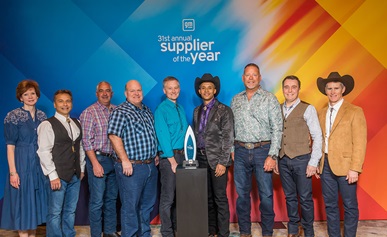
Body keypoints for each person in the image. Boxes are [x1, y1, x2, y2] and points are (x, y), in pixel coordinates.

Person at [231, 63, 283, 237]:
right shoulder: (236, 99)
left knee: (266, 195)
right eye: (247, 75)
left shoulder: (270, 98)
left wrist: (272, 155)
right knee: (242, 195)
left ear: (260, 77)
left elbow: (278, 128)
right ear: (243, 78)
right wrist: (232, 148)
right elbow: (230, 127)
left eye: (254, 75)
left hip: (263, 151)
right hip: (240, 151)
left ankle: (267, 232)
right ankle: (245, 232)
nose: (251, 78)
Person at [316, 72, 367, 237]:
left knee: (350, 205)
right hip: (326, 166)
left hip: (346, 167)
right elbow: (319, 140)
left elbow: (360, 142)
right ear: (325, 90)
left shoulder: (354, 111)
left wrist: (355, 168)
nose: (332, 91)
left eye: (336, 88)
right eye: (329, 88)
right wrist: (318, 163)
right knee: (330, 205)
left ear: (343, 89)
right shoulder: (321, 112)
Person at [108, 80, 158, 237]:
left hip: (149, 166)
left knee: (146, 206)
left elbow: (150, 135)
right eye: (132, 91)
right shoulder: (120, 111)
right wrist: (124, 160)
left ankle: (144, 235)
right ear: (126, 93)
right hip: (132, 167)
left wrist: (155, 154)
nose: (136, 93)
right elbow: (114, 136)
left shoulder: (147, 110)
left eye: (139, 90)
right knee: (130, 207)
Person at [0, 80, 48, 237]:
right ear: (20, 97)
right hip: (21, 165)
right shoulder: (12, 116)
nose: (30, 97)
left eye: (32, 93)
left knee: (34, 206)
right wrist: (13, 172)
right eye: (25, 94)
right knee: (23, 205)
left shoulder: (42, 116)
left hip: (38, 166)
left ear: (37, 95)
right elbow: (10, 146)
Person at [37, 89, 86, 237]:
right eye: (61, 101)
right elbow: (44, 152)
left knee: (70, 211)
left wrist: (81, 168)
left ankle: (68, 234)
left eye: (68, 101)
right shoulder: (47, 125)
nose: (65, 104)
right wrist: (53, 176)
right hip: (58, 176)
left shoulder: (76, 122)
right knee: (55, 212)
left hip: (75, 175)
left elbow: (81, 147)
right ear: (54, 104)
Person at [278, 75, 322, 237]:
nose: (290, 90)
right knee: (290, 197)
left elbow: (317, 136)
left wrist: (313, 162)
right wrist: (276, 158)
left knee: (305, 198)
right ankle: (293, 229)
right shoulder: (277, 108)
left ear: (298, 89)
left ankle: (308, 231)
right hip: (283, 159)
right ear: (283, 89)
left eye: (293, 87)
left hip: (302, 159)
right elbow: (275, 135)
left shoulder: (307, 108)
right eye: (287, 87)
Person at [193, 73, 234, 237]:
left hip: (217, 160)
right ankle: (212, 231)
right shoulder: (197, 111)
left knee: (220, 199)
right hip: (201, 158)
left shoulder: (224, 110)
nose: (206, 90)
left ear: (215, 90)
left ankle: (223, 233)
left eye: (209, 87)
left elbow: (228, 137)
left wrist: (223, 162)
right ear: (199, 91)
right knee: (207, 198)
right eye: (203, 88)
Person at [79, 82, 120, 237]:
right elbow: (86, 141)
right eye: (101, 91)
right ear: (96, 94)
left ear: (112, 93)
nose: (104, 94)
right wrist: (95, 163)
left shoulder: (117, 110)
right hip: (98, 159)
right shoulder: (89, 112)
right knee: (97, 201)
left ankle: (109, 231)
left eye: (107, 91)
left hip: (114, 160)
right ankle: (96, 234)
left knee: (111, 199)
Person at [154, 76, 188, 237]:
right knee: (168, 197)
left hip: (182, 156)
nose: (173, 91)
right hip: (170, 158)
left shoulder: (180, 108)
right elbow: (163, 136)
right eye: (170, 88)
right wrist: (172, 160)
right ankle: (167, 232)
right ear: (164, 90)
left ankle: (177, 228)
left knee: (179, 196)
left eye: (176, 87)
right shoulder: (161, 110)